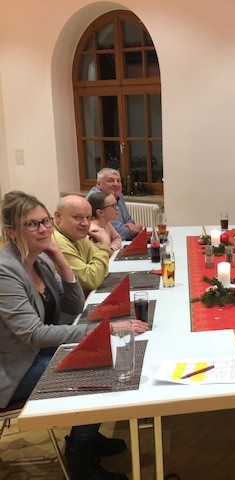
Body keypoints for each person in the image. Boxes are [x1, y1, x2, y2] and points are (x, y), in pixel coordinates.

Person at [0, 190, 148, 480]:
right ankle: (81, 458)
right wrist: (105, 329)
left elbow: (75, 305)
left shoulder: (40, 259)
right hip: (13, 368)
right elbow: (33, 334)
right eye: (31, 224)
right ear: (11, 232)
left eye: (44, 221)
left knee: (102, 354)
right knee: (98, 365)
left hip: (35, 353)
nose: (43, 229)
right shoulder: (6, 272)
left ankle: (86, 438)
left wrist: (60, 260)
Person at [53, 195, 111, 292]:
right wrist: (105, 245)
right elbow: (91, 280)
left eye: (88, 217)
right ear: (58, 217)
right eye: (77, 217)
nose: (85, 223)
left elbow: (102, 271)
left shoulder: (76, 234)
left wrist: (97, 270)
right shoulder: (56, 241)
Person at [86, 168, 144, 240]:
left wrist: (129, 226)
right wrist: (135, 228)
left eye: (118, 181)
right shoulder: (97, 199)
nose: (116, 184)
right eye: (110, 181)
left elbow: (129, 220)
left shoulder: (117, 194)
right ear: (98, 184)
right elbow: (118, 233)